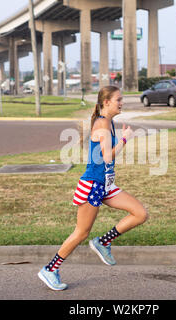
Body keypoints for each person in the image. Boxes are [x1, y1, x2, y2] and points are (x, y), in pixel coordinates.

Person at [38, 85, 149, 291]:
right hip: (92, 185)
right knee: (81, 233)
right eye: (118, 99)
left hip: (105, 185)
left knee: (140, 213)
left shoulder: (108, 122)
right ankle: (50, 269)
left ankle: (103, 242)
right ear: (107, 102)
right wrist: (126, 138)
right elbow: (107, 156)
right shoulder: (102, 125)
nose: (122, 103)